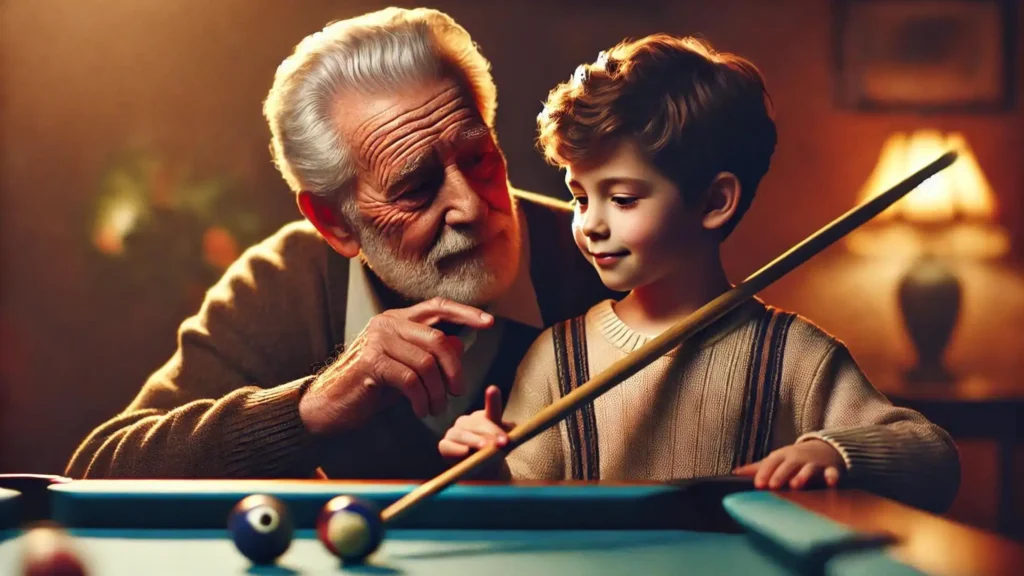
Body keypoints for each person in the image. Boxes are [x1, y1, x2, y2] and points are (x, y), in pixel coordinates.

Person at [65, 8, 616, 480]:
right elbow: (102, 469)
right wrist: (311, 407)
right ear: (336, 224)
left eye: (479, 158)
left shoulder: (603, 256)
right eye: (416, 188)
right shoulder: (284, 282)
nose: (471, 206)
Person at [438, 34, 961, 513]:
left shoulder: (793, 356)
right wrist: (487, 468)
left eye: (621, 199)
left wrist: (835, 450)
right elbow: (528, 499)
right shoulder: (559, 355)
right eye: (579, 197)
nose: (591, 223)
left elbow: (933, 458)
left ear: (714, 201)